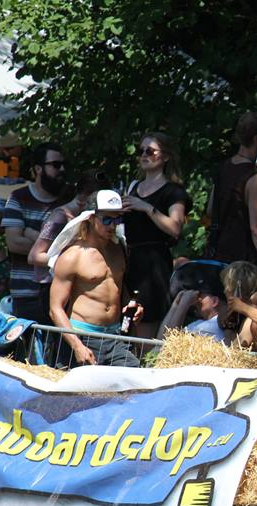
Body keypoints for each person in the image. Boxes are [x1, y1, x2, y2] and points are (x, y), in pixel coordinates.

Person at [48, 190, 142, 367]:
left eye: (117, 219)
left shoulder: (120, 249)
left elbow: (118, 289)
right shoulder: (72, 256)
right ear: (91, 218)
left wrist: (132, 305)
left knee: (134, 383)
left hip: (115, 337)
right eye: (107, 219)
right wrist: (77, 346)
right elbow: (55, 308)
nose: (113, 225)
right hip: (82, 336)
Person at [122, 131, 190, 338]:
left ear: (165, 156)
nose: (144, 155)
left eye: (150, 151)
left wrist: (147, 208)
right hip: (129, 259)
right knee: (125, 323)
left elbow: (175, 227)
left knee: (146, 323)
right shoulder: (133, 186)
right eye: (141, 151)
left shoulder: (173, 191)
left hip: (153, 263)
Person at [3, 141, 68, 324]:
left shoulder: (69, 199)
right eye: (56, 165)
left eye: (64, 165)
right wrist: (58, 247)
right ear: (38, 169)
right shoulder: (18, 197)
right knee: (28, 350)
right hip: (26, 294)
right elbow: (14, 243)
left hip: (63, 292)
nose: (62, 169)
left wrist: (31, 234)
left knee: (60, 352)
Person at [205, 111, 257, 264]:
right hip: (242, 259)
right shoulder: (255, 177)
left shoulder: (224, 167)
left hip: (217, 252)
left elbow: (210, 209)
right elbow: (256, 228)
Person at [29, 169, 111, 286]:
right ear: (84, 196)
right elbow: (34, 256)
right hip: (50, 285)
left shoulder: (85, 216)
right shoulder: (60, 217)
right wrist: (73, 262)